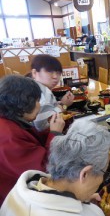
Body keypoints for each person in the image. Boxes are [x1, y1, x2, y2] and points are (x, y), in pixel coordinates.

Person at [0, 120, 110, 216]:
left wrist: (80, 200)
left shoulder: (27, 187)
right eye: (103, 172)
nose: (102, 178)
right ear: (84, 174)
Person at [0, 75, 65, 206]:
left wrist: (52, 130)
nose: (39, 105)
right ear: (22, 104)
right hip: (20, 200)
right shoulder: (8, 136)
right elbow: (42, 172)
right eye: (36, 100)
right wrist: (55, 134)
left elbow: (31, 140)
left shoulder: (8, 120)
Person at [31, 54, 74, 131]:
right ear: (34, 73)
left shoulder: (33, 86)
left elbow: (46, 109)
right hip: (43, 138)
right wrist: (63, 105)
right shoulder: (42, 92)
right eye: (49, 71)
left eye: (58, 73)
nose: (55, 77)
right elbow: (42, 125)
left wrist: (60, 103)